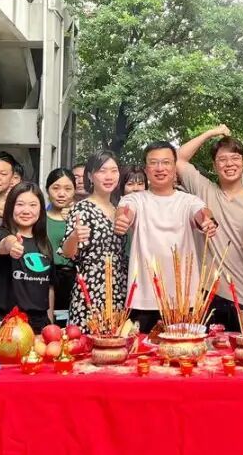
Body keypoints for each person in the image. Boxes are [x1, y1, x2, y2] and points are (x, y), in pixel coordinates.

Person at [115, 142, 217, 333]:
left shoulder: (188, 200)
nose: (160, 168)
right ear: (146, 169)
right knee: (141, 349)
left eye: (166, 162)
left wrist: (207, 221)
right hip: (144, 299)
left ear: (174, 167)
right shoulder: (135, 199)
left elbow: (202, 212)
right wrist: (122, 220)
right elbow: (125, 212)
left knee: (184, 348)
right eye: (154, 163)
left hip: (184, 300)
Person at [176, 126, 243, 332]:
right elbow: (178, 159)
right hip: (206, 295)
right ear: (214, 165)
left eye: (235, 158)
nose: (229, 164)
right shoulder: (204, 189)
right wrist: (211, 132)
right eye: (222, 160)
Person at [64, 152, 126, 328]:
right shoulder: (82, 208)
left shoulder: (118, 208)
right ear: (90, 176)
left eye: (114, 170)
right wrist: (74, 236)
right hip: (91, 290)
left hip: (118, 288)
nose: (109, 176)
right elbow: (68, 253)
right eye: (102, 171)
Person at [0, 182, 57, 333]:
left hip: (39, 322)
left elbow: (49, 287)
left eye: (33, 205)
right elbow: (5, 243)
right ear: (10, 207)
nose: (26, 210)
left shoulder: (44, 243)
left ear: (41, 209)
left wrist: (50, 323)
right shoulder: (0, 234)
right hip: (6, 322)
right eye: (20, 204)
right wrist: (13, 245)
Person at [44, 168, 78, 326]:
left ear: (75, 191)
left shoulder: (79, 218)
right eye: (56, 188)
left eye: (68, 189)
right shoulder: (38, 218)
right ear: (47, 190)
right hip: (44, 279)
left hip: (73, 280)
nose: (61, 194)